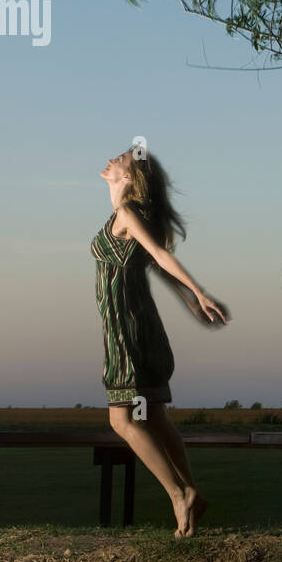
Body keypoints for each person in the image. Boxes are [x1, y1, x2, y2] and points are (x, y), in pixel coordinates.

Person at [92, 145, 229, 537]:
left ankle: (178, 494)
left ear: (130, 177)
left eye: (120, 158)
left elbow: (158, 255)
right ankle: (191, 496)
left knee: (122, 419)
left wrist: (198, 293)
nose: (111, 158)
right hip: (141, 326)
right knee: (152, 416)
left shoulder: (127, 214)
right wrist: (191, 299)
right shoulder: (133, 215)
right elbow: (158, 263)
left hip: (126, 328)